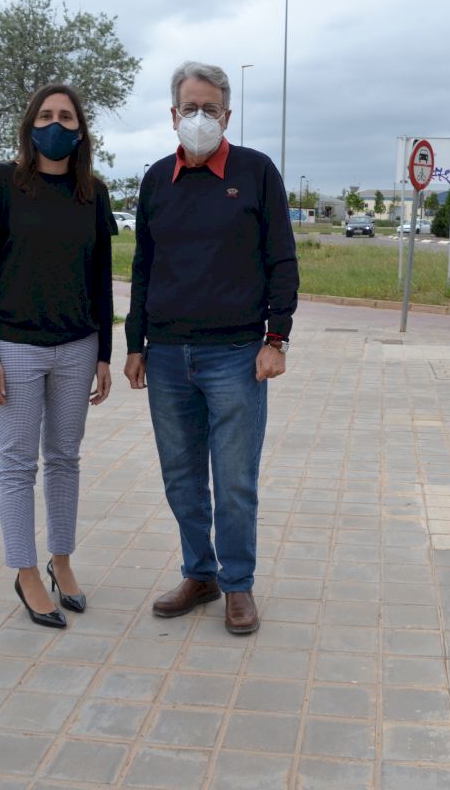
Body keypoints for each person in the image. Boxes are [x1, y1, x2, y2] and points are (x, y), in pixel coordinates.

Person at [124, 61, 298, 634]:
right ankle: (199, 575)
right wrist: (134, 343)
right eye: (190, 108)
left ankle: (238, 584)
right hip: (167, 356)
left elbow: (281, 258)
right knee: (181, 477)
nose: (199, 117)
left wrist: (277, 338)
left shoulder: (256, 171)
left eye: (210, 108)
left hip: (236, 356)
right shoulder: (157, 179)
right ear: (172, 114)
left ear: (227, 114)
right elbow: (143, 266)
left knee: (234, 481)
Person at [0, 83, 116, 629]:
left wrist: (104, 354)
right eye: (46, 115)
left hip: (78, 347)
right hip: (15, 349)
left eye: (66, 117)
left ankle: (61, 562)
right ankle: (25, 572)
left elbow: (101, 279)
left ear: (80, 130)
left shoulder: (93, 193)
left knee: (66, 459)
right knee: (18, 464)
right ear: (30, 126)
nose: (56, 124)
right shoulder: (0, 183)